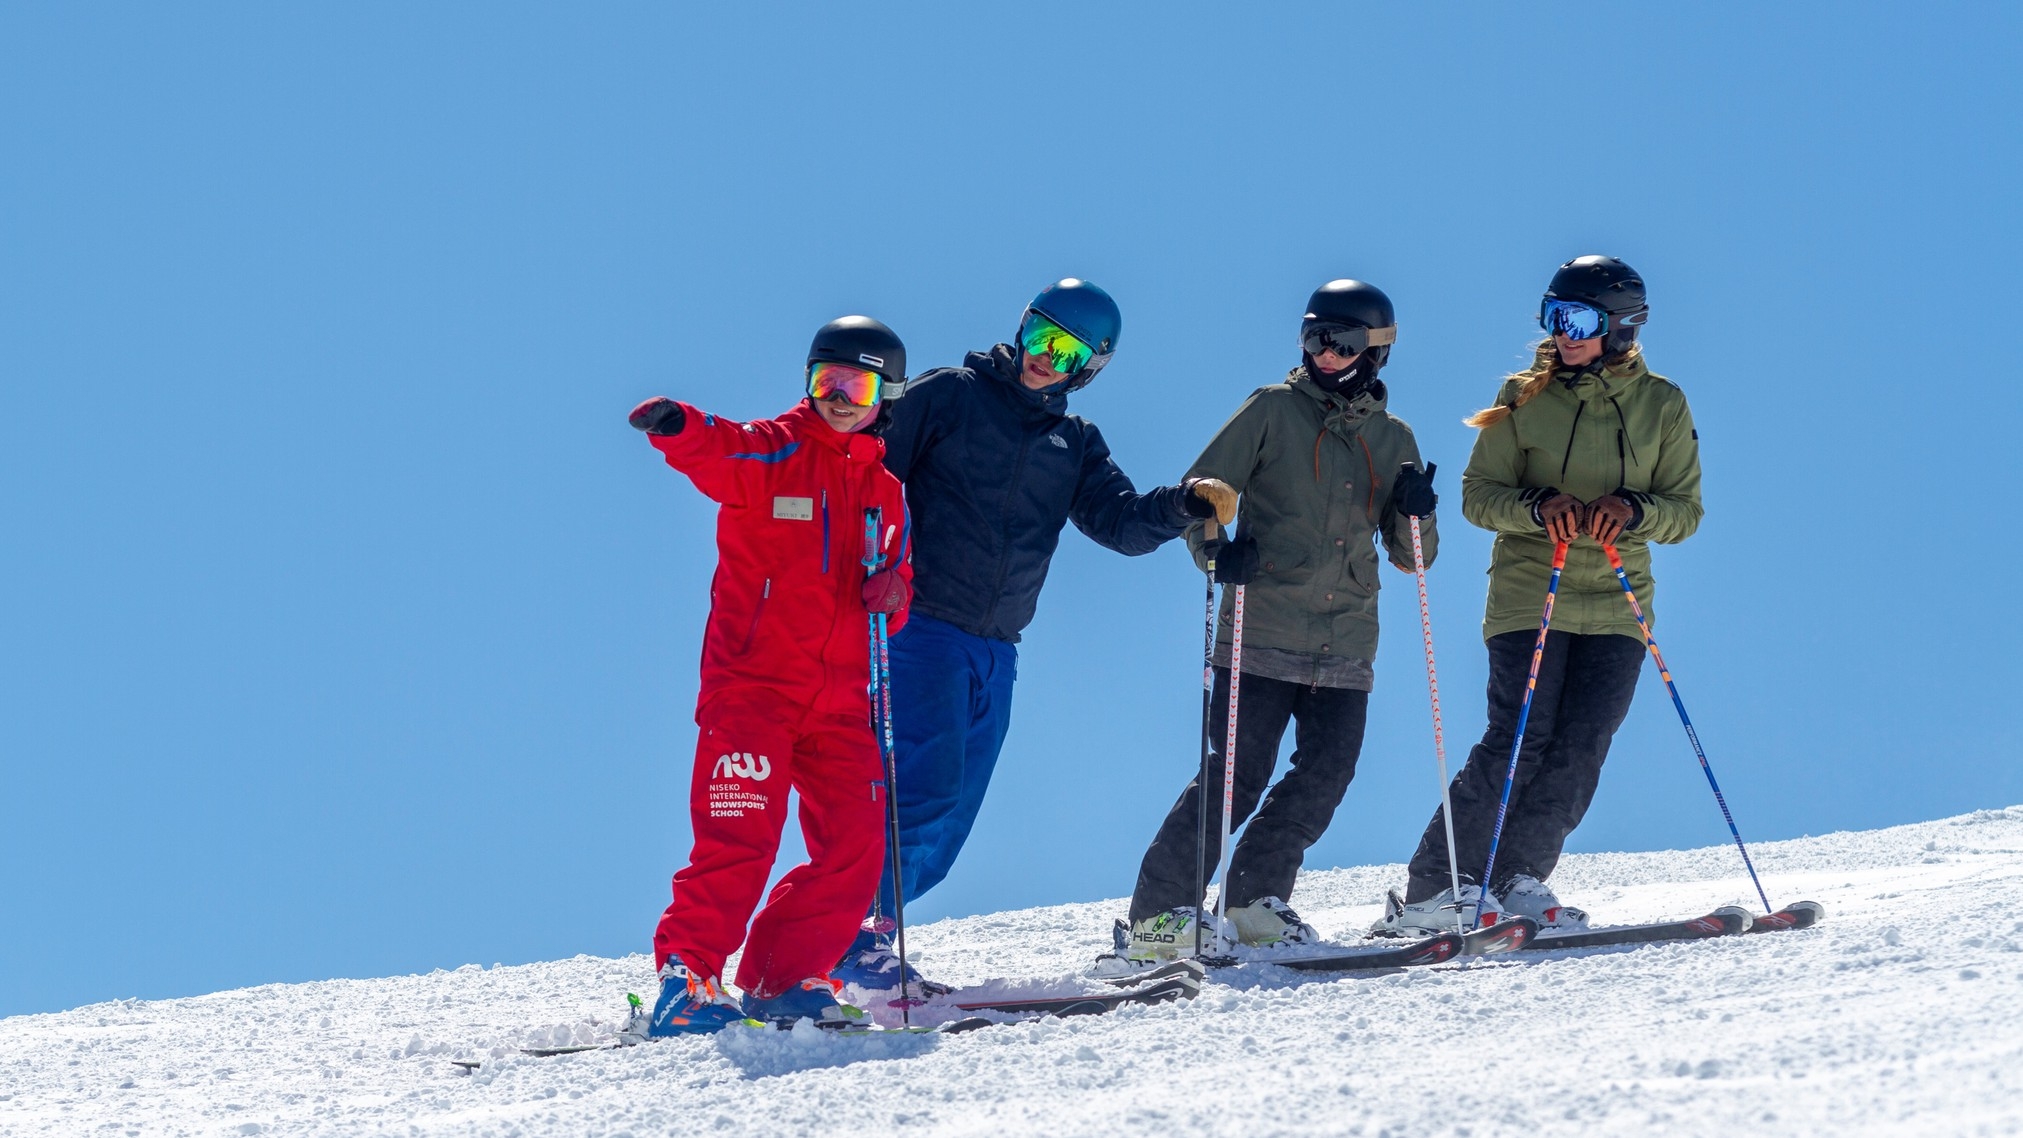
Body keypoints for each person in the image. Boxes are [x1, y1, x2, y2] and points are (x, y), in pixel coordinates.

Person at [830, 279, 1236, 997]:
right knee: (922, 791)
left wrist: (1183, 503)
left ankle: (864, 934)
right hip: (918, 625)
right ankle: (850, 943)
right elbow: (866, 472)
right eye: (1038, 335)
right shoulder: (949, 395)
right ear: (1020, 327)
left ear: (1091, 365)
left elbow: (1118, 523)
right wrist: (866, 569)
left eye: (1064, 349)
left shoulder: (1073, 443)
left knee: (952, 815)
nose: (1043, 357)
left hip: (997, 646)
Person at [1104, 279, 1439, 968]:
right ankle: (1158, 917)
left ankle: (1254, 903)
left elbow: (1415, 558)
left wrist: (1417, 508)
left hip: (1345, 640)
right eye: (1313, 336)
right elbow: (1203, 494)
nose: (1323, 352)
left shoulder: (1393, 437)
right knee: (1232, 777)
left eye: (1340, 341)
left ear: (1373, 352)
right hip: (1259, 627)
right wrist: (1215, 553)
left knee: (1325, 777)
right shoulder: (1271, 410)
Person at [1374, 255, 1702, 937]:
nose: (1564, 333)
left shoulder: (1661, 404)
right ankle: (1439, 885)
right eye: (1553, 318)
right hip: (1532, 592)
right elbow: (1476, 496)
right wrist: (1533, 506)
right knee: (1518, 739)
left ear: (1620, 326)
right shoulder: (1521, 396)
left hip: (1616, 600)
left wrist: (1635, 511)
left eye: (1578, 320)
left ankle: (1517, 875)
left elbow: (1684, 510)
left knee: (1582, 745)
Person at [621, 316, 916, 1035]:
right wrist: (676, 425)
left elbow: (896, 584)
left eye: (857, 384)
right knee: (739, 837)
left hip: (841, 704)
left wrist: (894, 594)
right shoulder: (774, 451)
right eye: (827, 381)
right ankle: (686, 979)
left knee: (856, 846)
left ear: (887, 395)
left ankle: (782, 978)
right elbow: (716, 449)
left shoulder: (886, 493)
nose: (839, 398)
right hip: (753, 691)